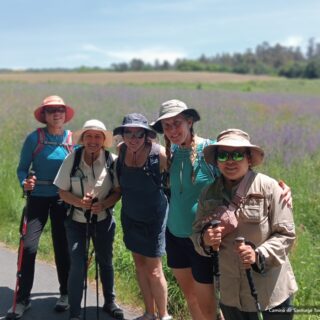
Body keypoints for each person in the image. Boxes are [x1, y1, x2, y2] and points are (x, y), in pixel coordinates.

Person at [151, 99, 293, 320]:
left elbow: (244, 180)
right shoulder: (167, 155)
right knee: (192, 296)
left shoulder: (209, 151)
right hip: (183, 236)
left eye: (176, 123)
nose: (171, 130)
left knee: (209, 305)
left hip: (211, 242)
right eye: (166, 126)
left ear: (190, 122)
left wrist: (281, 188)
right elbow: (131, 148)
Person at [192, 128, 297, 320]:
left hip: (270, 291)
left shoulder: (269, 187)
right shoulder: (208, 194)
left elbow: (286, 234)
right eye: (223, 155)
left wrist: (259, 254)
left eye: (237, 154)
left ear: (249, 159)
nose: (230, 161)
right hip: (231, 292)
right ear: (217, 161)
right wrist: (205, 240)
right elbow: (197, 234)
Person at [6, 95, 73, 319]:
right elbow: (22, 169)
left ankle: (65, 294)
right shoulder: (34, 138)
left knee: (62, 247)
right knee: (29, 247)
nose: (57, 113)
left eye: (60, 110)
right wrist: (25, 182)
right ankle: (23, 299)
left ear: (65, 115)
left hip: (62, 199)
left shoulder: (73, 139)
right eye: (52, 110)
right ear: (44, 115)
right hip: (37, 198)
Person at [53, 119, 124, 320]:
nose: (93, 140)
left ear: (103, 140)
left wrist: (104, 204)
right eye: (89, 136)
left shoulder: (113, 160)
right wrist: (79, 202)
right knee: (77, 264)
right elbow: (61, 191)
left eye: (97, 137)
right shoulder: (72, 159)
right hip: (76, 222)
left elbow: (118, 191)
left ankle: (110, 302)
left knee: (106, 261)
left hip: (103, 221)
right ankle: (75, 312)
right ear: (83, 139)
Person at [113, 113, 172, 320]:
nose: (133, 138)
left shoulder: (160, 155)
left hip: (154, 219)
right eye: (128, 132)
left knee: (154, 270)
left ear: (147, 135)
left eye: (139, 134)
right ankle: (149, 312)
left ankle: (163, 315)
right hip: (130, 216)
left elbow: (183, 178)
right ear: (122, 135)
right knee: (139, 265)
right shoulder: (120, 151)